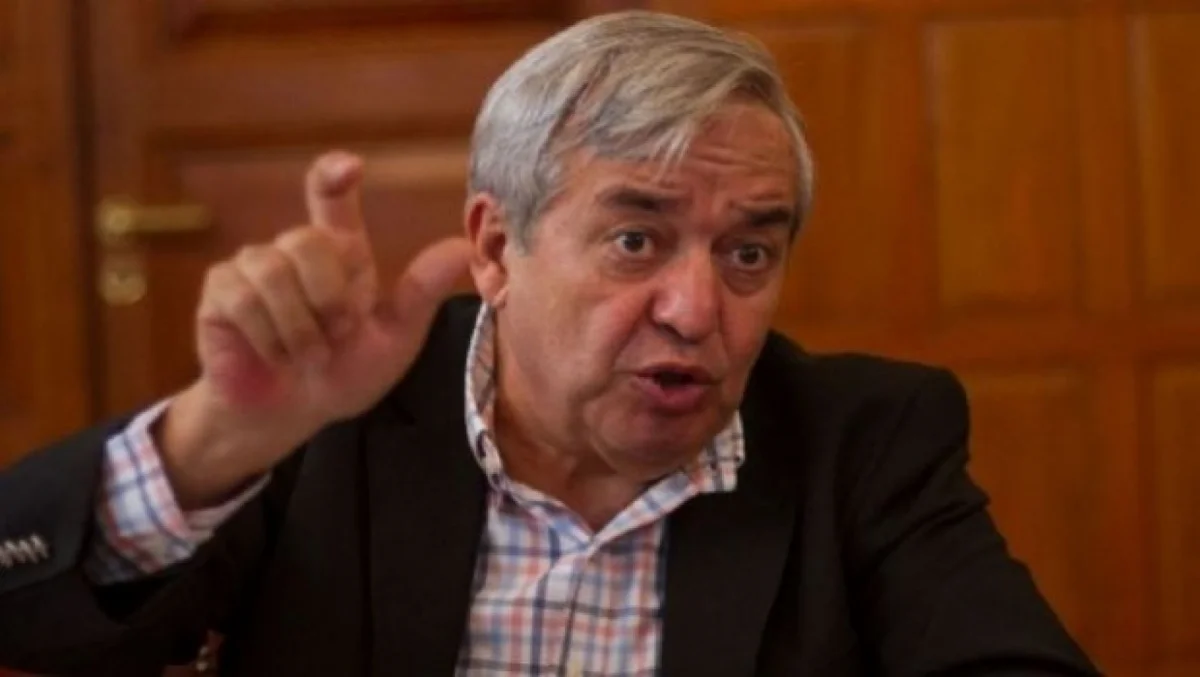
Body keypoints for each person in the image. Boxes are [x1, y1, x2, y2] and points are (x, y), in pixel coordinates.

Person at [0, 10, 1097, 676]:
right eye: (635, 239)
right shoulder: (336, 413)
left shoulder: (862, 440)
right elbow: (30, 623)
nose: (695, 309)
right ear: (497, 247)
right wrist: (215, 440)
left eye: (748, 253)